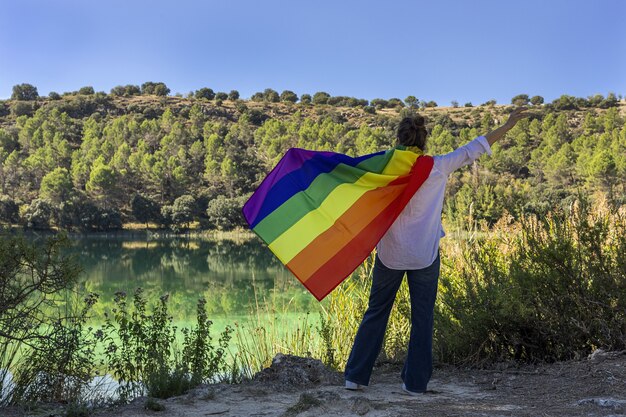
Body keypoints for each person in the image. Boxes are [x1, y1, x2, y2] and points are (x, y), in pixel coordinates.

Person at [344, 107, 529, 395]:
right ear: (424, 141)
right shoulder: (438, 166)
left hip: (390, 254)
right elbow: (475, 147)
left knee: (376, 312)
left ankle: (355, 377)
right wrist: (507, 125)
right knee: (423, 318)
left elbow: (348, 172)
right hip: (424, 255)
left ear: (399, 139)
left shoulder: (383, 165)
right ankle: (415, 384)